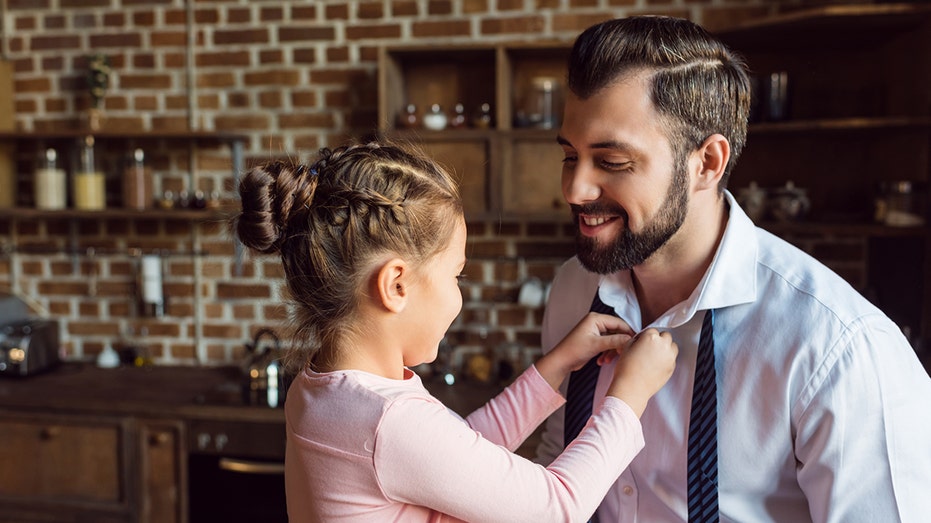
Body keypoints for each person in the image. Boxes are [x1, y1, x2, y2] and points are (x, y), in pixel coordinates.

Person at [534, 15, 931, 523]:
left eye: (611, 162)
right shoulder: (573, 287)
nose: (575, 190)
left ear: (707, 162)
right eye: (571, 156)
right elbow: (557, 455)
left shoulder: (838, 348)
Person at [233, 140, 678, 522]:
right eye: (456, 276)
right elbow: (556, 508)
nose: (458, 296)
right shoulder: (387, 422)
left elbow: (456, 455)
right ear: (396, 285)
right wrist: (629, 395)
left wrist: (556, 364)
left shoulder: (321, 390)